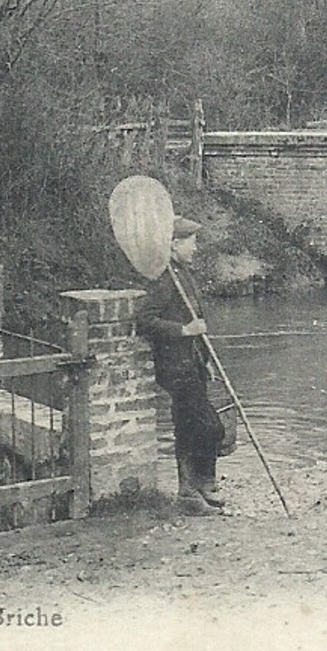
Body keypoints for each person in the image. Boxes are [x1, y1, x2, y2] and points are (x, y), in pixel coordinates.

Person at [135, 216, 228, 515]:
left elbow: (196, 319)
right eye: (192, 242)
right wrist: (184, 331)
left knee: (192, 427)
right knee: (207, 426)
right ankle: (192, 490)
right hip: (175, 367)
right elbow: (145, 321)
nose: (196, 248)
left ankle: (198, 488)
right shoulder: (164, 279)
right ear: (175, 245)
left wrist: (205, 359)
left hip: (193, 364)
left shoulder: (183, 274)